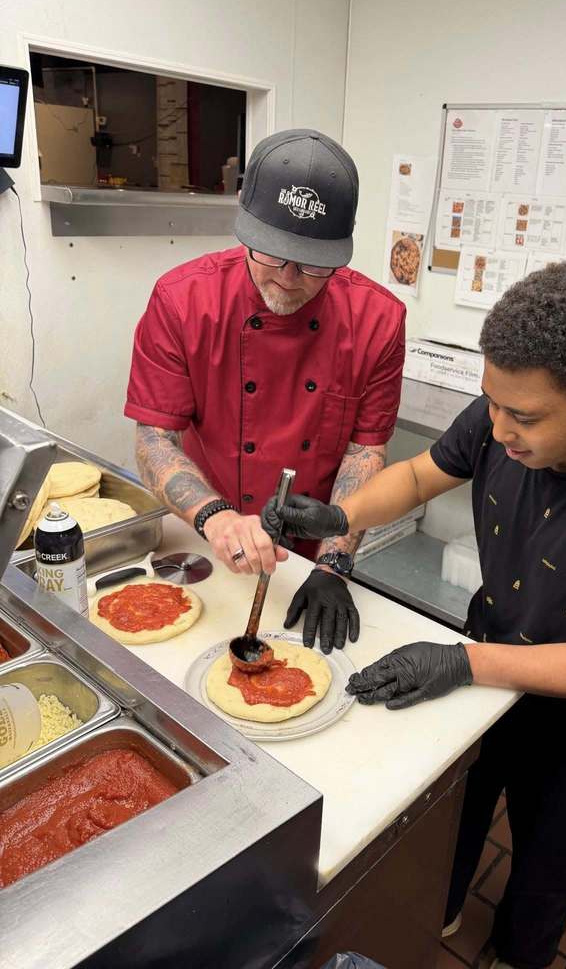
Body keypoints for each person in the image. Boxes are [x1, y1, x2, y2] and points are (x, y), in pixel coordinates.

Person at [262, 262, 566, 969]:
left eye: (526, 417)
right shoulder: (498, 417)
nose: (499, 428)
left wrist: (461, 660)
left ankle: (519, 951)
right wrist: (340, 514)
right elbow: (421, 475)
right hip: (483, 669)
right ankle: (438, 912)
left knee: (548, 855)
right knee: (456, 812)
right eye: (493, 405)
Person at [125, 129, 406, 653]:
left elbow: (364, 452)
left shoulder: (379, 321)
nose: (290, 278)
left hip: (311, 549)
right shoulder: (183, 300)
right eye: (272, 254)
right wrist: (216, 518)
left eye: (314, 264)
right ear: (243, 219)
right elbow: (154, 440)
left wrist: (334, 562)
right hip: (207, 534)